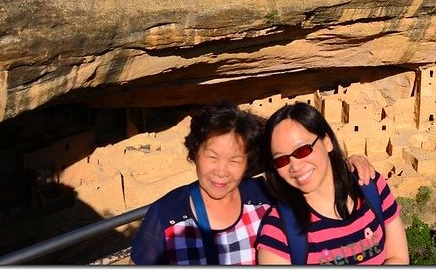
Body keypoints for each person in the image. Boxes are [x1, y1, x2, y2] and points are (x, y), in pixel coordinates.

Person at [130, 101, 374, 265]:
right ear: (195, 153)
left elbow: (307, 176)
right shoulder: (168, 215)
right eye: (212, 157)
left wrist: (349, 164)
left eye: (235, 160)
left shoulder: (263, 195)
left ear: (248, 163)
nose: (221, 172)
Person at [256, 102, 409, 265]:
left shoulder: (372, 187)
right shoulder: (279, 229)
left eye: (302, 150)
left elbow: (398, 257)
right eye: (281, 160)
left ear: (327, 141)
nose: (295, 166)